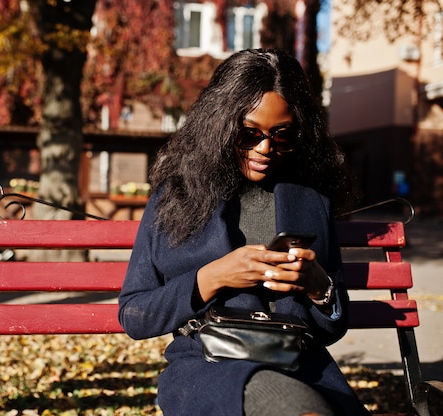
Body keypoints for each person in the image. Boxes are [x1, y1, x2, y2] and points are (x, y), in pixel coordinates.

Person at [118, 49, 368, 415]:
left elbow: (332, 328)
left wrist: (319, 288)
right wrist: (211, 278)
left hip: (302, 363)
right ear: (218, 123)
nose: (265, 148)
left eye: (283, 135)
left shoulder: (311, 201)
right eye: (248, 133)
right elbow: (135, 315)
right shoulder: (176, 196)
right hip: (209, 365)